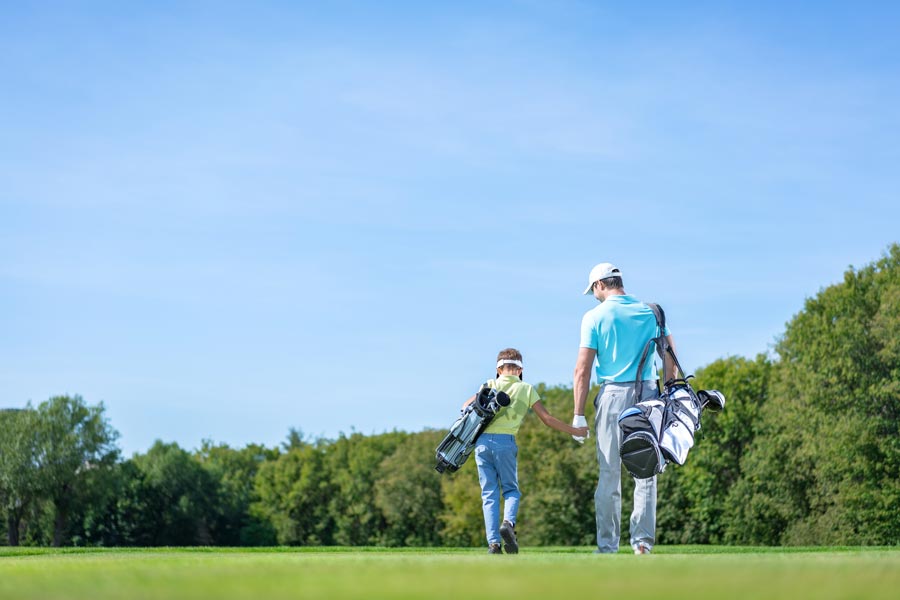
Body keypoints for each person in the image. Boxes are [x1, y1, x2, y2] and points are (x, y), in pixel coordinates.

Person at [570, 263, 675, 555]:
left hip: (614, 395)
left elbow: (582, 370)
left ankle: (607, 547)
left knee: (609, 473)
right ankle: (642, 544)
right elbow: (670, 360)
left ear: (599, 285)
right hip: (649, 396)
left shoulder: (594, 317)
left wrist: (578, 414)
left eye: (593, 290)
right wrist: (668, 398)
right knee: (646, 472)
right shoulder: (651, 311)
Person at [463, 347, 589, 555]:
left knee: (489, 494)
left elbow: (465, 406)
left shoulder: (489, 384)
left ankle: (493, 544)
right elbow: (547, 419)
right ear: (520, 370)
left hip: (482, 443)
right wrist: (575, 430)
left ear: (498, 368)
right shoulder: (527, 389)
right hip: (505, 443)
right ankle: (508, 524)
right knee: (511, 490)